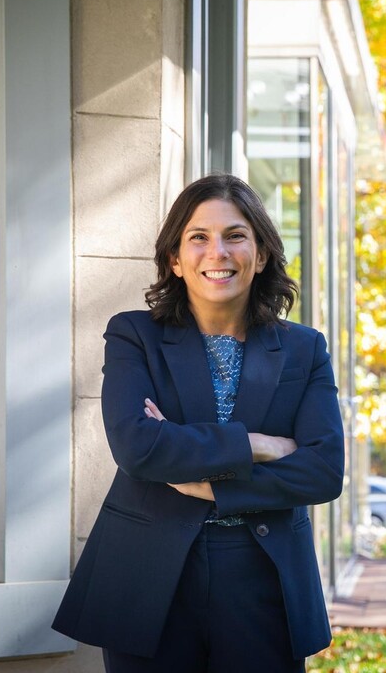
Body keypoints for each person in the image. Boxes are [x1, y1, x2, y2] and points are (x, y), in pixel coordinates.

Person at [53, 174, 344, 672]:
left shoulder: (304, 347)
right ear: (174, 258)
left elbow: (323, 470)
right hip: (148, 573)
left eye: (236, 235)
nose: (218, 252)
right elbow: (138, 446)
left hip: (264, 576)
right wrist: (260, 444)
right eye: (199, 237)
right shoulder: (133, 335)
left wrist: (213, 488)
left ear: (263, 253)